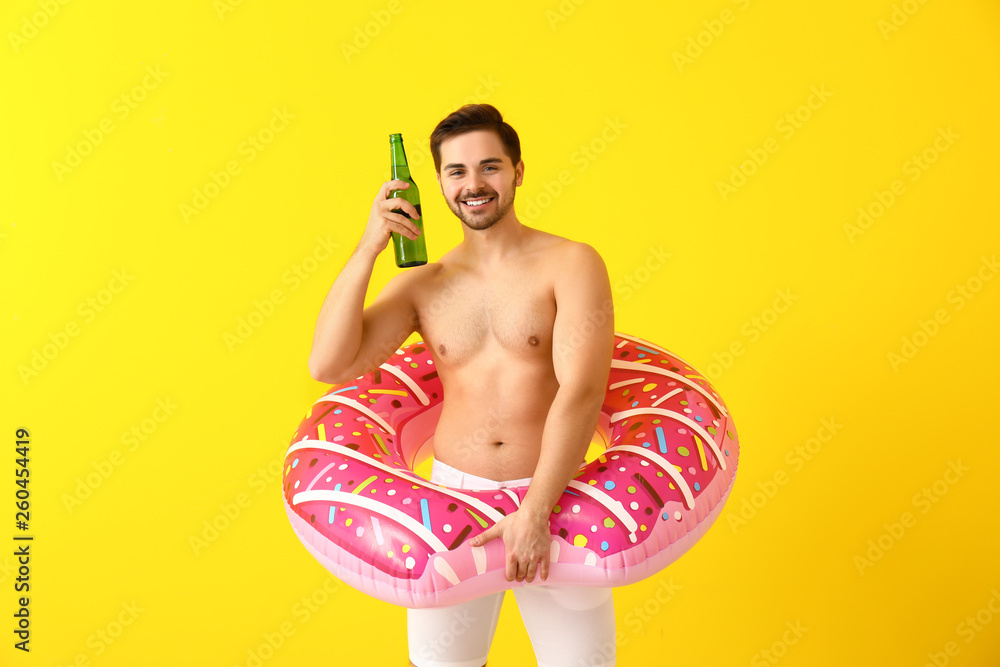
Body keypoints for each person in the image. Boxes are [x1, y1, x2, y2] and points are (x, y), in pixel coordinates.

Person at [308, 104, 617, 667]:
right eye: (456, 172)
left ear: (518, 171)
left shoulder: (572, 263)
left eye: (489, 167)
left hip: (558, 498)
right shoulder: (424, 285)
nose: (474, 184)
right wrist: (369, 247)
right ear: (439, 184)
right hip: (452, 504)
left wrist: (536, 510)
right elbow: (328, 364)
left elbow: (583, 391)